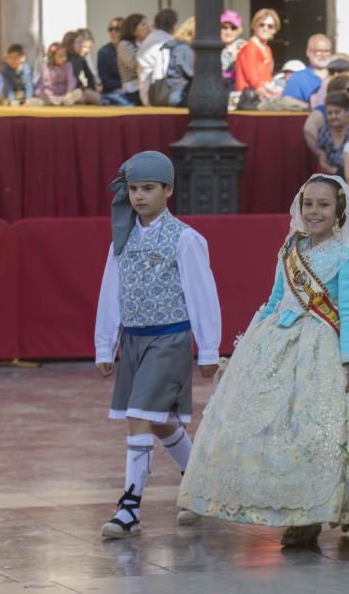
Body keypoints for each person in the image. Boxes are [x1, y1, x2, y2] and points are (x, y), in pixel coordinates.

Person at [178, 175, 349, 547]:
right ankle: (293, 509)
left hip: (323, 348)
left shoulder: (345, 256)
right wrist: (249, 346)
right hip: (279, 343)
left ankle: (318, 513)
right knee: (273, 431)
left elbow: (348, 313)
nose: (314, 211)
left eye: (323, 205)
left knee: (321, 434)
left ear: (339, 213)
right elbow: (274, 300)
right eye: (308, 204)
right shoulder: (290, 248)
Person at [94, 151, 221, 538]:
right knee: (163, 423)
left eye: (148, 188)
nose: (138, 196)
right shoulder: (124, 238)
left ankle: (130, 506)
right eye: (133, 189)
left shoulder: (184, 238)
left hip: (169, 339)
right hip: (134, 341)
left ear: (168, 190)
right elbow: (111, 292)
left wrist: (209, 348)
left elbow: (203, 294)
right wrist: (105, 345)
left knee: (139, 414)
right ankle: (202, 485)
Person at [235, 8, 281, 98]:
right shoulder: (249, 48)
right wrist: (274, 91)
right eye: (261, 25)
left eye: (270, 26)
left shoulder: (267, 49)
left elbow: (267, 78)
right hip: (249, 100)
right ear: (254, 26)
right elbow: (254, 81)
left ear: (274, 30)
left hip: (262, 97)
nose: (265, 28)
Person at [150, 18, 195, 107]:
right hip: (179, 94)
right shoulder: (184, 49)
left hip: (170, 92)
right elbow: (191, 73)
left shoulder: (175, 45)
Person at [311, 91, 349, 175]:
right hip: (331, 180)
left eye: (337, 112)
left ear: (348, 112)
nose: (333, 116)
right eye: (329, 113)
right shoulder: (324, 131)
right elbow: (323, 162)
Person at [138, 8, 178, 106]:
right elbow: (163, 71)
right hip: (158, 95)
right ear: (173, 25)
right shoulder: (166, 42)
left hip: (146, 92)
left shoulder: (149, 40)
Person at [282, 34, 333, 103]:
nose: (323, 55)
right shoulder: (297, 79)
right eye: (318, 51)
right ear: (308, 52)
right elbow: (289, 108)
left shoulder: (337, 77)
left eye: (326, 51)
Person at [116, 13, 150, 106]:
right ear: (133, 30)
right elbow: (135, 65)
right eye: (143, 24)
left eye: (147, 24)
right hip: (133, 90)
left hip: (146, 86)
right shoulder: (125, 45)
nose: (148, 27)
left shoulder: (147, 44)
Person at [63, 29, 100, 104]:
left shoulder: (81, 59)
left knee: (88, 94)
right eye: (79, 43)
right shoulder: (65, 59)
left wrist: (90, 89)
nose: (87, 50)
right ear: (70, 44)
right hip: (65, 91)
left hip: (77, 90)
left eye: (90, 47)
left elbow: (89, 76)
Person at [219, 10, 245, 91]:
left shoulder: (243, 46)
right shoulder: (215, 46)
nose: (228, 32)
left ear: (238, 30)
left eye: (233, 28)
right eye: (224, 27)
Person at [98, 17, 123, 94]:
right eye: (110, 29)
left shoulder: (132, 48)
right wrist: (126, 84)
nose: (113, 32)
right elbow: (106, 82)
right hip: (113, 93)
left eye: (117, 29)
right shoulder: (103, 52)